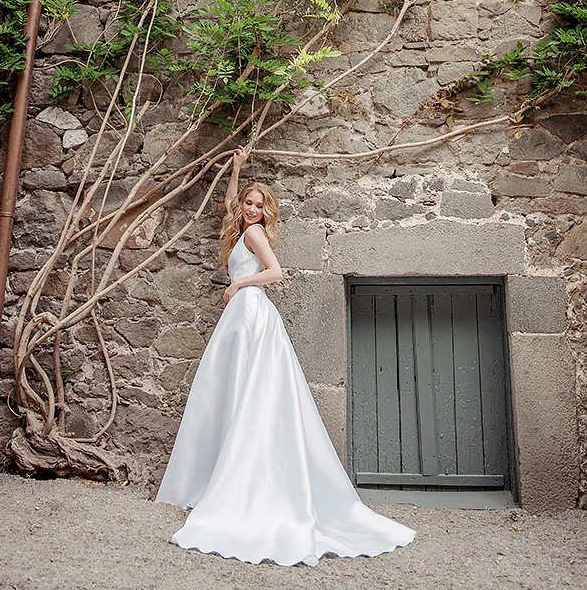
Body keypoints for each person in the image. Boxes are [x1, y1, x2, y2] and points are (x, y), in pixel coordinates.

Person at [155, 147, 416, 566]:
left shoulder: (255, 235)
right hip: (242, 315)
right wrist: (236, 171)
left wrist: (238, 286)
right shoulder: (239, 225)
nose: (253, 209)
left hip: (252, 310)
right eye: (249, 203)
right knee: (234, 390)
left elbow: (275, 272)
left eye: (260, 206)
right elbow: (227, 205)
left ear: (266, 212)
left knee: (249, 390)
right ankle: (227, 476)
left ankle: (240, 486)